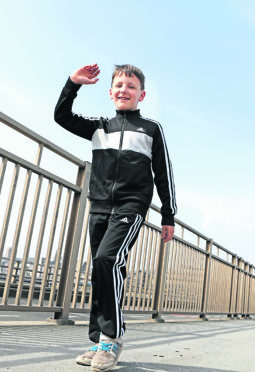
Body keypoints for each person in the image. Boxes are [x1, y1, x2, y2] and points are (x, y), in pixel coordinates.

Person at [54, 63, 177, 371]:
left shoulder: (151, 129)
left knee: (109, 260)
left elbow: (163, 173)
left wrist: (168, 214)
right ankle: (98, 341)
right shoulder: (99, 127)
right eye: (119, 85)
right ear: (110, 93)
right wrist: (73, 83)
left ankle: (112, 338)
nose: (125, 90)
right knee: (99, 269)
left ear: (142, 95)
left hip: (130, 206)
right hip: (98, 206)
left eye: (131, 86)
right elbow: (61, 117)